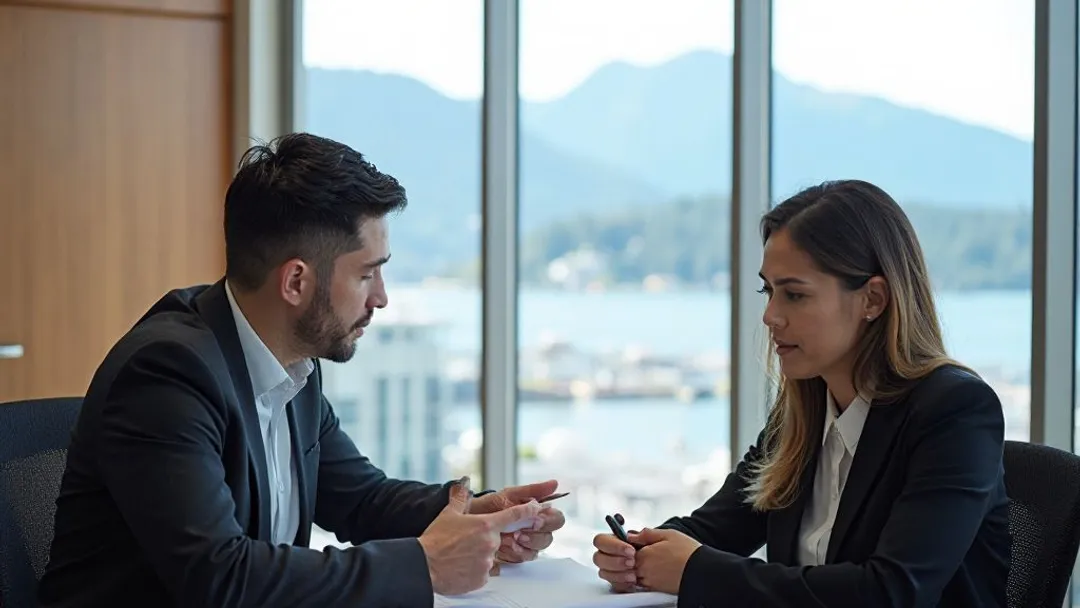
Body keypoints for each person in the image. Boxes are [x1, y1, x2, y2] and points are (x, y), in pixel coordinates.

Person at [38, 133, 566, 607]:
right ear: (296, 282)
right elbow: (219, 578)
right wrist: (426, 564)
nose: (381, 299)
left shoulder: (291, 363)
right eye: (367, 275)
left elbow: (359, 499)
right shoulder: (167, 374)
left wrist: (478, 515)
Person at [592, 180, 1010, 607]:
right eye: (768, 291)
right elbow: (717, 529)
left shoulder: (955, 413)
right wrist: (639, 552)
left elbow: (892, 593)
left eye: (794, 294)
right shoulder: (802, 412)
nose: (771, 316)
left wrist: (695, 569)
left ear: (873, 298)